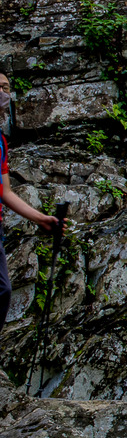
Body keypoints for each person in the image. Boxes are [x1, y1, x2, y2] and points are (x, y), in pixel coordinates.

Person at [0, 73, 64, 323]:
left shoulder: (1, 142)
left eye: (6, 87)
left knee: (3, 291)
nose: (4, 92)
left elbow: (4, 191)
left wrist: (41, 219)